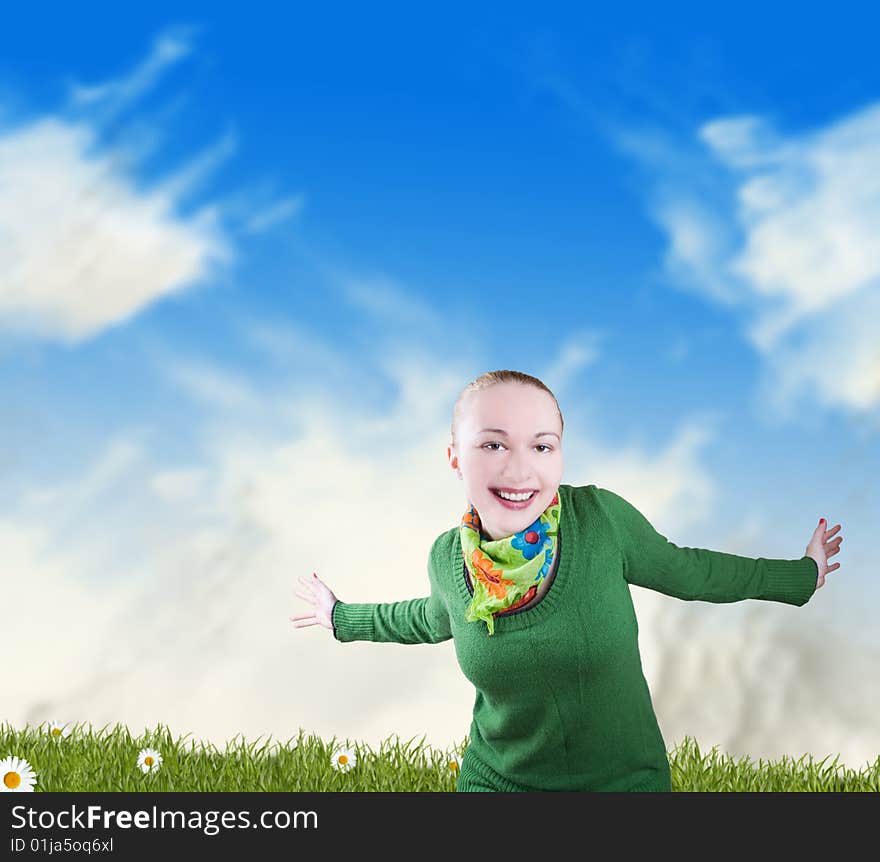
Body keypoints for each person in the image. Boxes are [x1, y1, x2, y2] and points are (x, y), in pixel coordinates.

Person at [290, 370, 843, 792]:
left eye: (541, 445)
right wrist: (338, 615)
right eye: (493, 444)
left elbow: (690, 570)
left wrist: (802, 574)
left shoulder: (601, 521)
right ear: (455, 457)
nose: (519, 468)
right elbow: (427, 618)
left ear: (559, 454)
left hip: (623, 787)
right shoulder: (446, 559)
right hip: (497, 783)